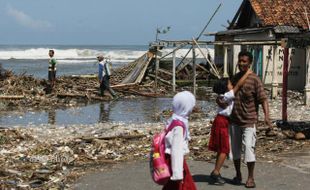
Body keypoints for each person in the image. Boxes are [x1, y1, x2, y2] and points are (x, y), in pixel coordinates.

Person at [229, 51, 272, 188]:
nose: (241, 63)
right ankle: (238, 174)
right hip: (234, 120)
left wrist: (267, 117)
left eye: (244, 61)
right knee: (235, 150)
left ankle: (250, 177)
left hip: (249, 120)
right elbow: (228, 96)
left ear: (250, 63)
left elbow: (263, 99)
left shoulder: (255, 79)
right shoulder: (234, 78)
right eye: (240, 61)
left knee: (248, 148)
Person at [208, 69, 252, 185]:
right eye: (229, 84)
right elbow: (238, 85)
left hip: (221, 121)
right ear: (226, 87)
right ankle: (216, 172)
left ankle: (216, 171)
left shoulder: (222, 96)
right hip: (222, 122)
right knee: (224, 149)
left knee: (221, 148)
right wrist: (247, 74)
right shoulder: (228, 95)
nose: (231, 85)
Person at [163, 91, 197, 190]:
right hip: (176, 163)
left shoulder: (174, 120)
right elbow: (176, 151)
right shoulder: (179, 126)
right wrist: (177, 174)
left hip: (171, 161)